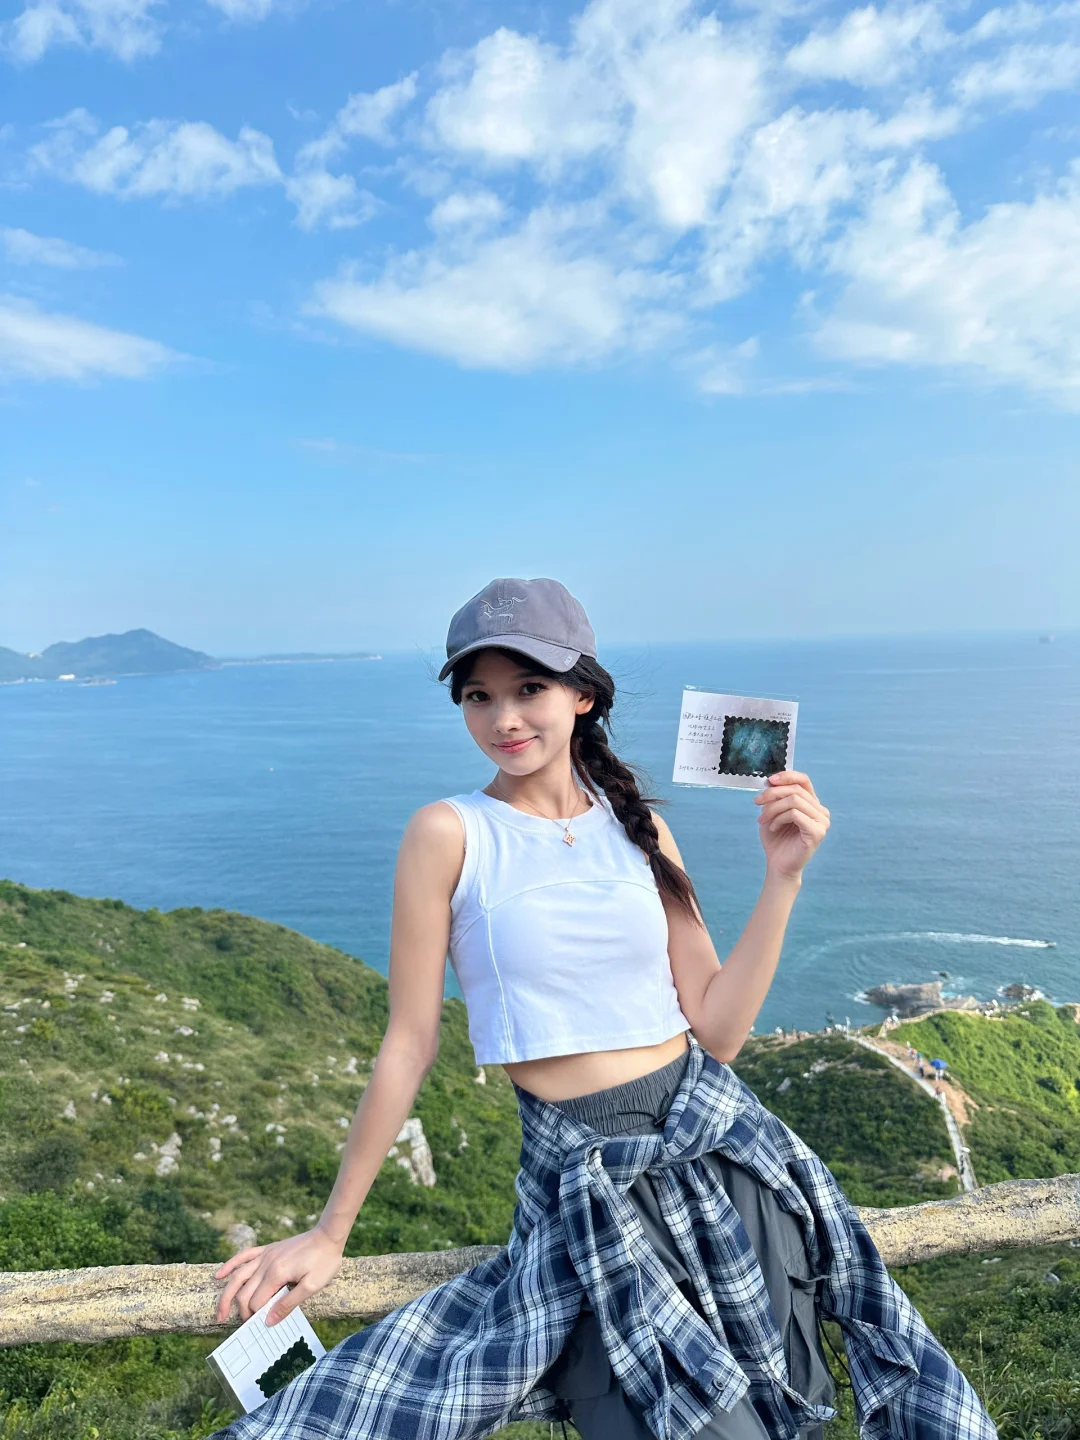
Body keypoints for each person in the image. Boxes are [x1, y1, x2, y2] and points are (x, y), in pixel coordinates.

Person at [208, 578, 998, 1440]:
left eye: (529, 688)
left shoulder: (640, 829)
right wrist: (330, 1234)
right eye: (479, 696)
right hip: (585, 1192)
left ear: (582, 694)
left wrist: (784, 878)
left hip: (722, 1163)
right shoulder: (449, 833)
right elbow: (409, 1042)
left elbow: (718, 1029)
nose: (504, 718)